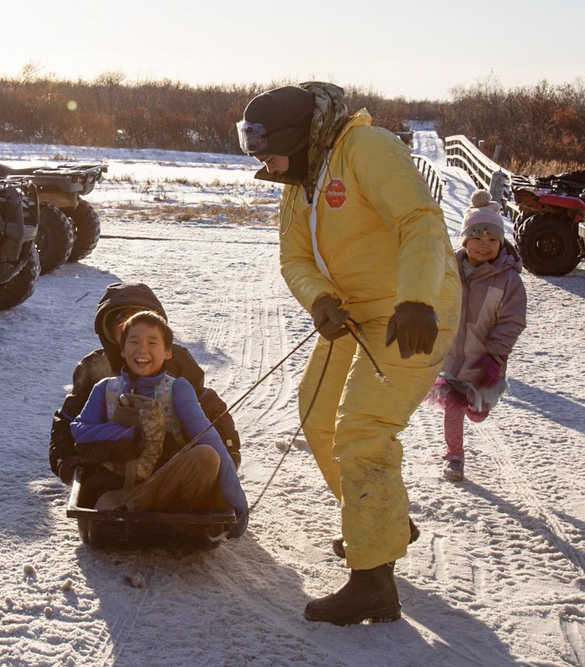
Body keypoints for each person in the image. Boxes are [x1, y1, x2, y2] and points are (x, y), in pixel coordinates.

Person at [237, 82, 462, 624]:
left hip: (416, 311)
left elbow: (421, 222)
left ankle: (374, 585)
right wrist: (320, 300)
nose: (261, 161)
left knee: (361, 428)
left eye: (265, 147)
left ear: (296, 135)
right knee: (316, 414)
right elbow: (294, 258)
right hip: (355, 313)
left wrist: (414, 298)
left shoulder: (367, 148)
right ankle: (380, 525)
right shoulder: (299, 181)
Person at [49, 281, 241, 502]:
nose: (131, 322)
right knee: (104, 495)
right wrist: (66, 461)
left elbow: (208, 408)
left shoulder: (177, 363)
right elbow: (68, 420)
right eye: (120, 316)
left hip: (171, 469)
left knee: (205, 459)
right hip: (115, 474)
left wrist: (229, 448)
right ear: (108, 327)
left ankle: (180, 511)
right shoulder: (95, 369)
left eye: (140, 314)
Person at [70, 310, 249, 538]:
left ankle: (137, 507)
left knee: (206, 456)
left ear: (167, 352)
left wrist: (237, 500)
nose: (142, 349)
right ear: (122, 350)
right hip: (118, 484)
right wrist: (119, 434)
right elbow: (79, 429)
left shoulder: (177, 389)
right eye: (133, 341)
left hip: (169, 486)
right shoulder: (105, 388)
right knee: (107, 499)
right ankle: (147, 510)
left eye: (152, 342)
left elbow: (207, 436)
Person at [426, 190, 527, 482]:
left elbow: (512, 320)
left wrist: (496, 355)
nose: (484, 246)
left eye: (492, 240)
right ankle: (454, 456)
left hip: (486, 358)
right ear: (465, 240)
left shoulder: (508, 280)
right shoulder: (449, 270)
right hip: (453, 356)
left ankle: (476, 408)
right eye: (477, 239)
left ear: (501, 243)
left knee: (479, 412)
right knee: (453, 404)